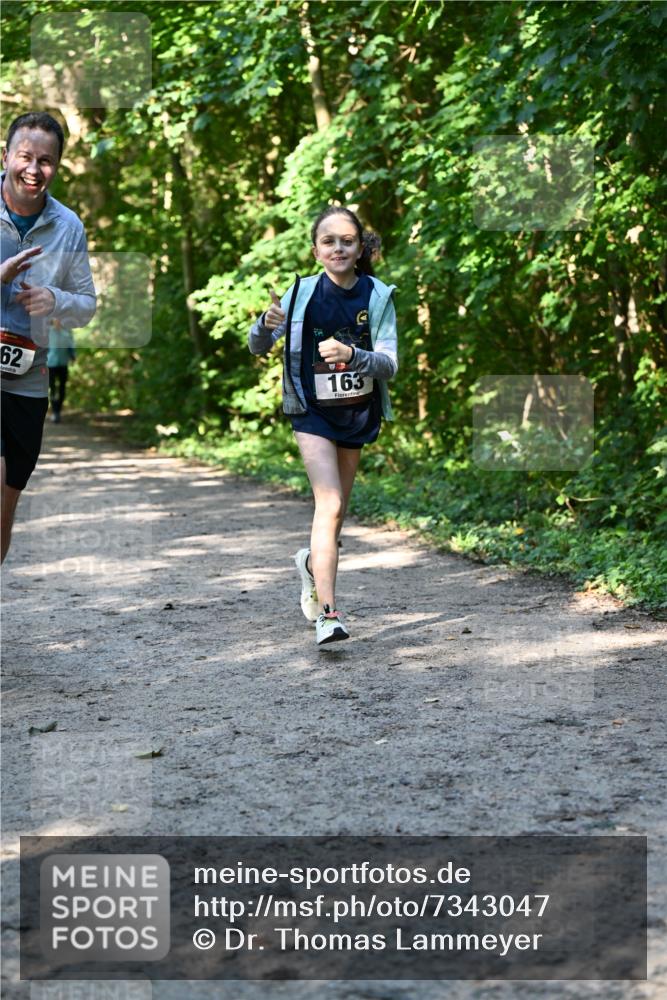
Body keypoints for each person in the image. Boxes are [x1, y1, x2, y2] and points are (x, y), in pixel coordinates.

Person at [248, 206, 398, 646]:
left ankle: (313, 565)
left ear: (359, 248)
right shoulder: (300, 294)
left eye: (347, 241)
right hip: (310, 411)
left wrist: (352, 357)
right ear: (316, 250)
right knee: (328, 503)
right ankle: (328, 615)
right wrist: (264, 324)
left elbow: (389, 365)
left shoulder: (377, 295)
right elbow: (257, 345)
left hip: (357, 411)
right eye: (328, 241)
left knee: (336, 516)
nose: (338, 248)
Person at [1, 112, 96, 562]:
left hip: (26, 381)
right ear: (6, 156)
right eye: (25, 156)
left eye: (46, 160)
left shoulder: (67, 227)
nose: (34, 169)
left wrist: (53, 299)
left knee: (4, 508)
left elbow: (86, 305)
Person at [47, 317, 76, 423]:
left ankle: (58, 410)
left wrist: (73, 356)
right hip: (50, 364)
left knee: (62, 388)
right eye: (56, 319)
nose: (58, 321)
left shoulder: (67, 333)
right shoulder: (48, 332)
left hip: (63, 364)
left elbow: (71, 346)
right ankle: (55, 412)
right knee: (53, 388)